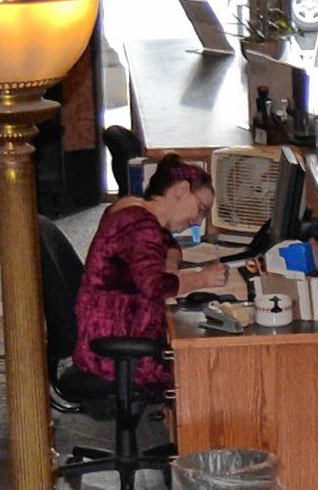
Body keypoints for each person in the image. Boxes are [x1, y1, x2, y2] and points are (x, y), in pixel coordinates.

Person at [74, 158, 240, 392]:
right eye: (201, 210)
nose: (198, 221)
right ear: (181, 189)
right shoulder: (140, 227)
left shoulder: (130, 209)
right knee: (212, 367)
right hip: (117, 350)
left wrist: (170, 265)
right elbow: (155, 286)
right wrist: (203, 278)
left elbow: (170, 244)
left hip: (101, 335)